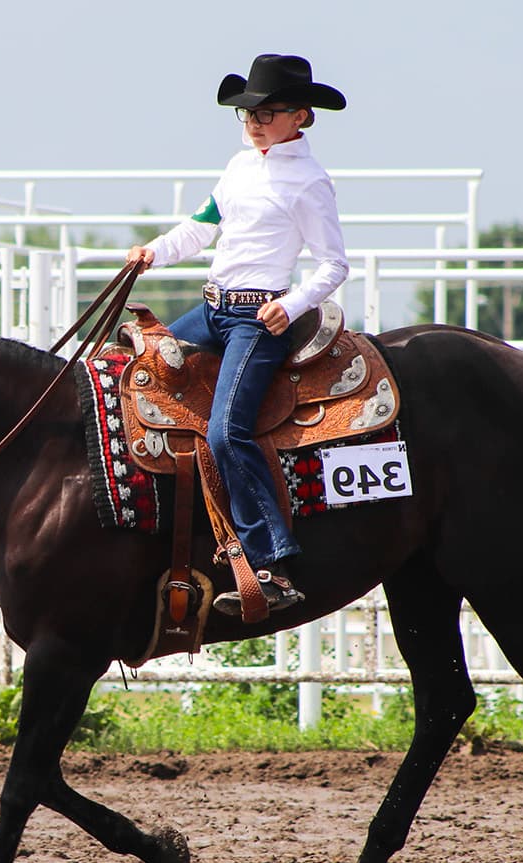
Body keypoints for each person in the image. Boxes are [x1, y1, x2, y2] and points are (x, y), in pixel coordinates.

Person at [127, 53, 350, 616]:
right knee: (128, 368)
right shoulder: (239, 166)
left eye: (267, 112)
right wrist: (154, 252)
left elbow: (332, 264)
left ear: (301, 117)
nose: (252, 121)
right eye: (247, 112)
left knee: (228, 432)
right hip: (211, 307)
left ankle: (272, 563)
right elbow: (202, 226)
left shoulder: (310, 182)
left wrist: (292, 303)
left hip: (256, 318)